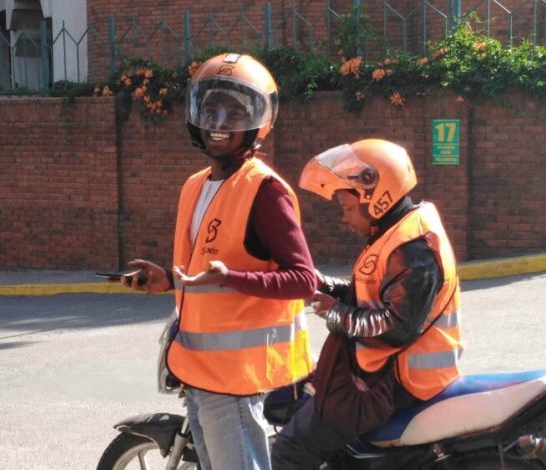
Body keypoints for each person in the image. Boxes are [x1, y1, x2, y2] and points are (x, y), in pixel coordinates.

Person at [124, 52, 317, 470]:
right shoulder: (196, 186)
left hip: (234, 378)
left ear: (259, 121)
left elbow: (303, 280)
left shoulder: (265, 191)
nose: (219, 122)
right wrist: (168, 281)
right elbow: (207, 274)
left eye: (234, 111)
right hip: (198, 371)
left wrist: (232, 278)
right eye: (210, 109)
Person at [271, 139, 463, 469]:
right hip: (389, 376)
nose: (344, 218)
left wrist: (335, 313)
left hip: (401, 383)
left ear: (375, 197)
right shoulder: (397, 233)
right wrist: (324, 285)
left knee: (289, 450)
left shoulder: (413, 247)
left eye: (347, 208)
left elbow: (394, 328)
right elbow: (373, 297)